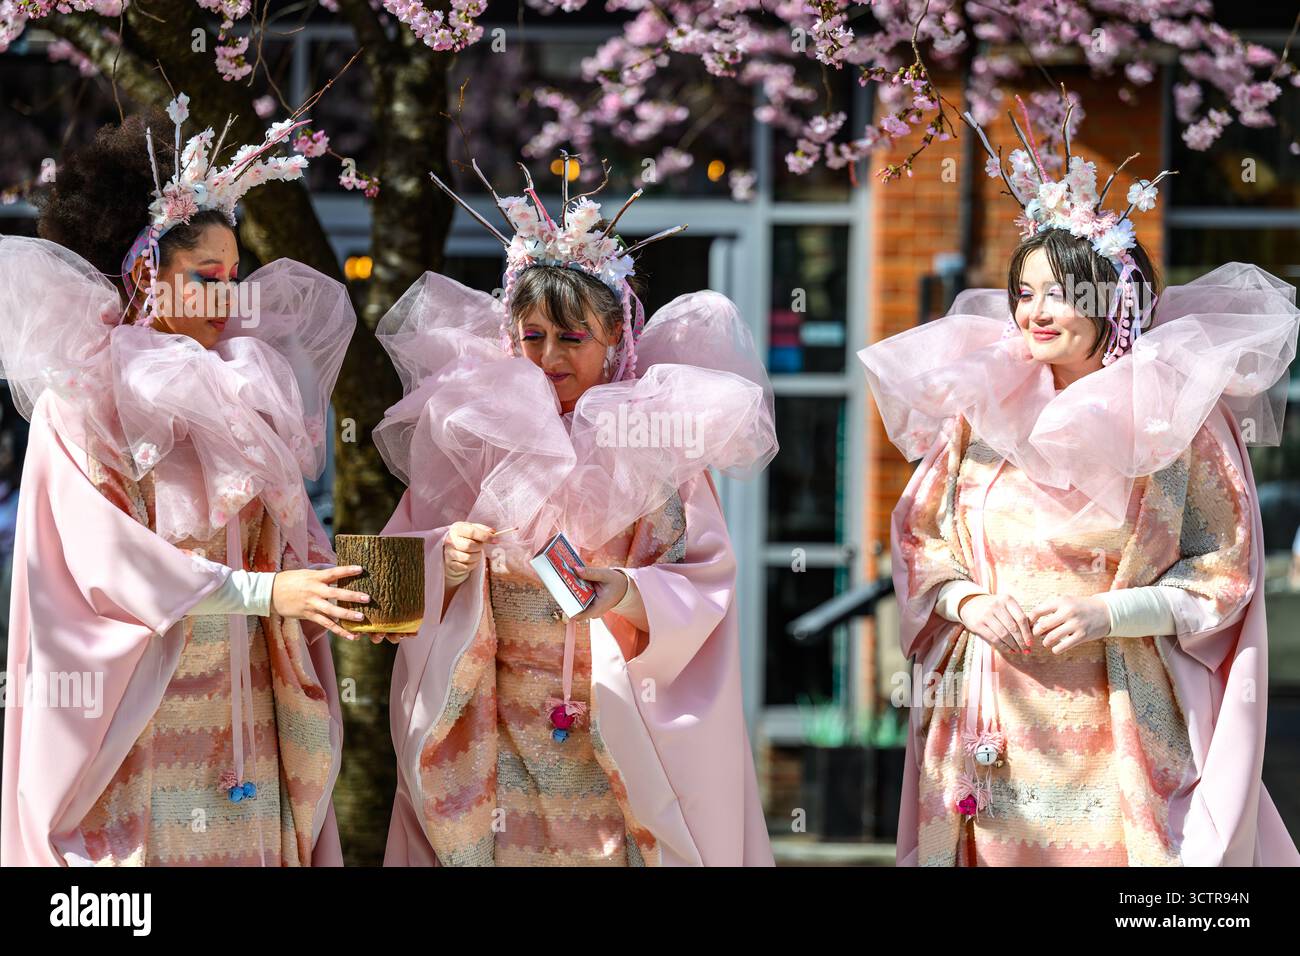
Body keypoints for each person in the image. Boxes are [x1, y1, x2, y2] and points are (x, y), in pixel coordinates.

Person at [861, 104, 1300, 866]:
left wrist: (1109, 612)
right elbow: (920, 536)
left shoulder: (1175, 422)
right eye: (1023, 293)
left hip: (1118, 712)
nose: (1034, 313)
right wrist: (969, 601)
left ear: (1113, 304)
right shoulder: (980, 410)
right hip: (993, 711)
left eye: (1058, 294)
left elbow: (1224, 571)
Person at [374, 157, 778, 865]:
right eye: (533, 337)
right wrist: (447, 556)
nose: (551, 357)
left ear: (617, 336)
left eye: (573, 338)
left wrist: (622, 589)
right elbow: (386, 589)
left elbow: (707, 580)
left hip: (611, 720)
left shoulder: (659, 442)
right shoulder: (473, 433)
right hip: (492, 721)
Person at [0, 95, 364, 866]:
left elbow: (285, 537)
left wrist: (318, 583)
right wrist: (267, 594)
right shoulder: (85, 397)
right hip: (143, 711)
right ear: (144, 268)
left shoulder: (243, 384)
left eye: (235, 278)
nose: (227, 300)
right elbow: (107, 561)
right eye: (207, 276)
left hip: (250, 710)